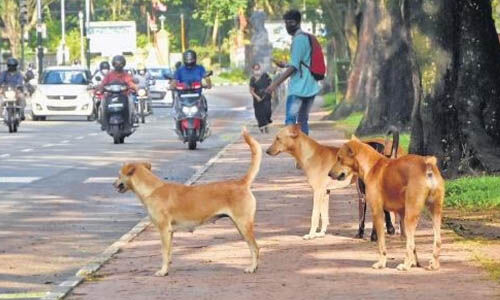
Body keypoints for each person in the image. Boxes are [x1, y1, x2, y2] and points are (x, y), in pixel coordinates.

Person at [265, 9, 320, 136]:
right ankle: (304, 152)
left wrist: (275, 84)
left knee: (290, 120)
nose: (286, 27)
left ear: (295, 23)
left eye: (288, 23)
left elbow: (294, 67)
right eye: (285, 23)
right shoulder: (306, 38)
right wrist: (284, 64)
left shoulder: (298, 40)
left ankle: (292, 148)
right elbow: (301, 61)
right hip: (310, 87)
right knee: (303, 121)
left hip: (299, 88)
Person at [99, 55, 137, 130]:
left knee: (130, 100)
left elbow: (130, 83)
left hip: (124, 95)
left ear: (123, 64)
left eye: (120, 64)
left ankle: (131, 119)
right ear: (113, 64)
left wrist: (136, 88)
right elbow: (103, 83)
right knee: (103, 102)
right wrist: (100, 89)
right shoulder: (109, 74)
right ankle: (104, 122)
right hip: (110, 96)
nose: (118, 66)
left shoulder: (126, 75)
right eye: (116, 64)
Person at [249, 63, 273, 133]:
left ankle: (266, 124)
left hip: (267, 97)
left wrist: (272, 92)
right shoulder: (252, 79)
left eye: (258, 69)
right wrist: (257, 97)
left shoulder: (265, 76)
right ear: (253, 70)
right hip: (258, 100)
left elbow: (271, 84)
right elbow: (251, 90)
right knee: (260, 114)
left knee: (268, 112)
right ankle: (262, 127)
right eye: (255, 69)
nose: (257, 71)